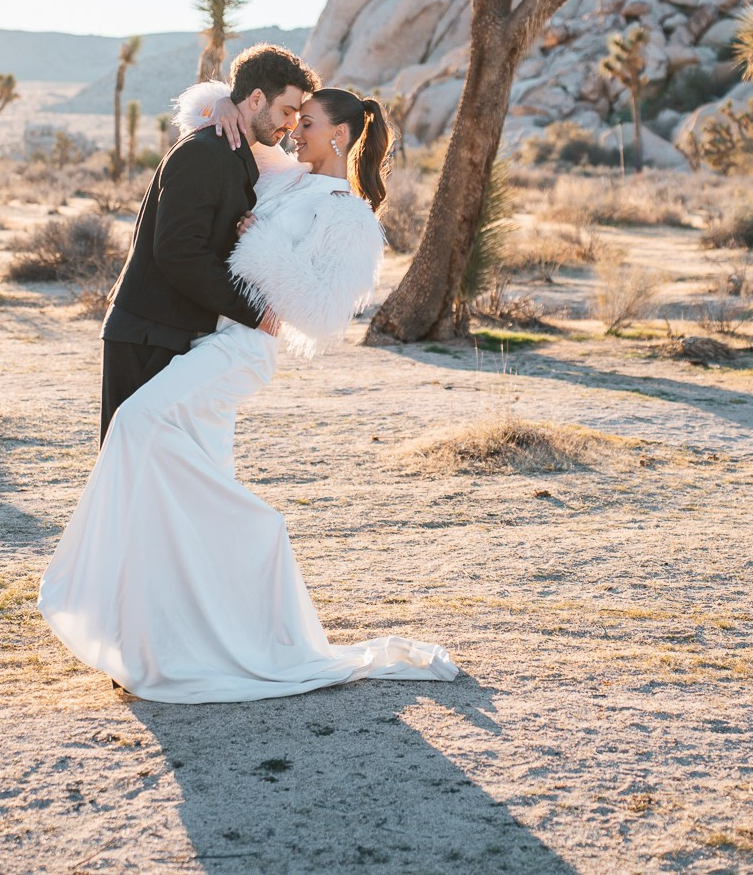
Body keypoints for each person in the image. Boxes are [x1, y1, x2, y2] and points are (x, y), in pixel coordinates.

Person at [38, 78, 459, 702]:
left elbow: (319, 313)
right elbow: (224, 120)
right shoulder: (285, 174)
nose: (296, 129)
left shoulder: (347, 214)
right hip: (213, 338)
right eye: (294, 117)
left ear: (338, 135)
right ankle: (181, 632)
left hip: (242, 349)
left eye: (308, 121)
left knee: (137, 424)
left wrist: (255, 245)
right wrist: (224, 113)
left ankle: (257, 532)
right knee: (192, 470)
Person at [98, 43, 317, 442]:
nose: (290, 125)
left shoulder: (232, 151)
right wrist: (255, 311)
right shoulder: (204, 152)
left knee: (163, 469)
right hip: (148, 333)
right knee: (129, 462)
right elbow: (179, 252)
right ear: (254, 100)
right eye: (287, 111)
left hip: (176, 330)